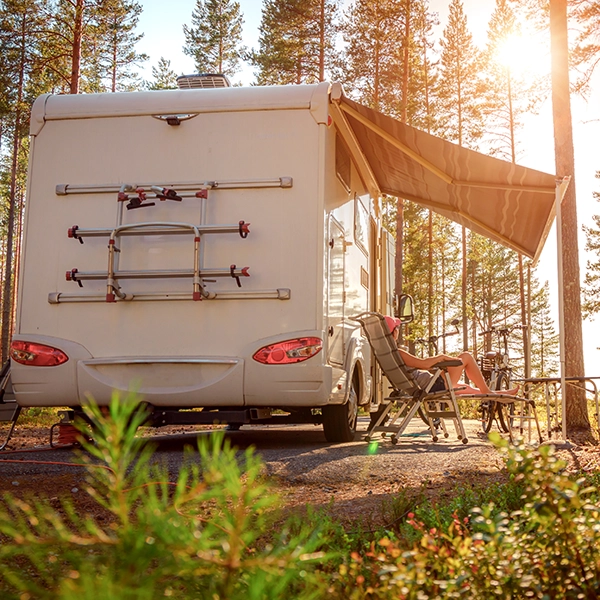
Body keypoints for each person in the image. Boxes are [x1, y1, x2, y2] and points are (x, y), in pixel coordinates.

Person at [383, 316, 518, 396]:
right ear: (394, 332)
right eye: (397, 329)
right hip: (433, 385)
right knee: (466, 356)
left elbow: (422, 364)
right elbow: (424, 364)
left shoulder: (389, 354)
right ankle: (488, 391)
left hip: (427, 385)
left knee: (465, 386)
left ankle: (496, 393)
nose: (399, 331)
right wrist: (442, 357)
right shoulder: (398, 353)